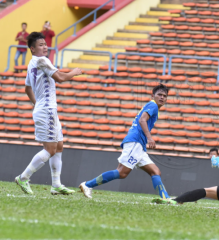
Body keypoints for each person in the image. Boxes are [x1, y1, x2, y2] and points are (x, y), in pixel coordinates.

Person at [15, 32, 82, 195]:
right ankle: (24, 177)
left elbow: (27, 88)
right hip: (47, 110)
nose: (45, 47)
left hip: (46, 109)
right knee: (51, 148)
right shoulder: (42, 61)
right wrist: (74, 72)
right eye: (40, 45)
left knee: (59, 146)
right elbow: (60, 78)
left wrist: (36, 104)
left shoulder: (32, 63)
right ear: (32, 48)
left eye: (45, 44)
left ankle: (56, 185)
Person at [79, 84, 171, 200]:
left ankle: (165, 198)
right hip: (136, 141)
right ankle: (87, 185)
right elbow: (142, 120)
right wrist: (149, 137)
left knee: (155, 171)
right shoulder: (153, 105)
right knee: (122, 172)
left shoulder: (153, 107)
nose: (162, 97)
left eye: (165, 96)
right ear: (153, 95)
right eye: (159, 95)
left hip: (139, 145)